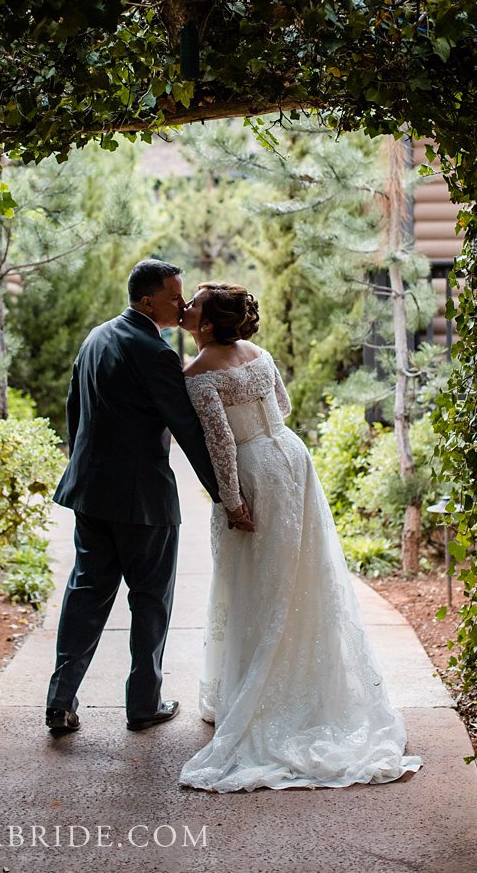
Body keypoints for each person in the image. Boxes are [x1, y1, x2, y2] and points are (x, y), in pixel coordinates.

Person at [177, 282, 422, 791]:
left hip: (254, 472)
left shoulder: (199, 373)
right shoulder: (259, 355)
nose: (187, 306)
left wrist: (232, 499)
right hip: (290, 457)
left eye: (194, 302)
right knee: (298, 568)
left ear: (206, 323)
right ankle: (308, 684)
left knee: (257, 577)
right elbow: (282, 406)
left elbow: (221, 441)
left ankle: (259, 692)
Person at [44, 257, 246, 737]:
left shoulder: (95, 337)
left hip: (91, 494)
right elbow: (188, 429)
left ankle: (59, 702)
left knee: (85, 595)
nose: (182, 304)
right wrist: (225, 494)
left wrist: (84, 469)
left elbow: (76, 410)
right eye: (175, 296)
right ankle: (144, 705)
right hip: (144, 503)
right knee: (151, 601)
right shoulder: (155, 352)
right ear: (148, 298)